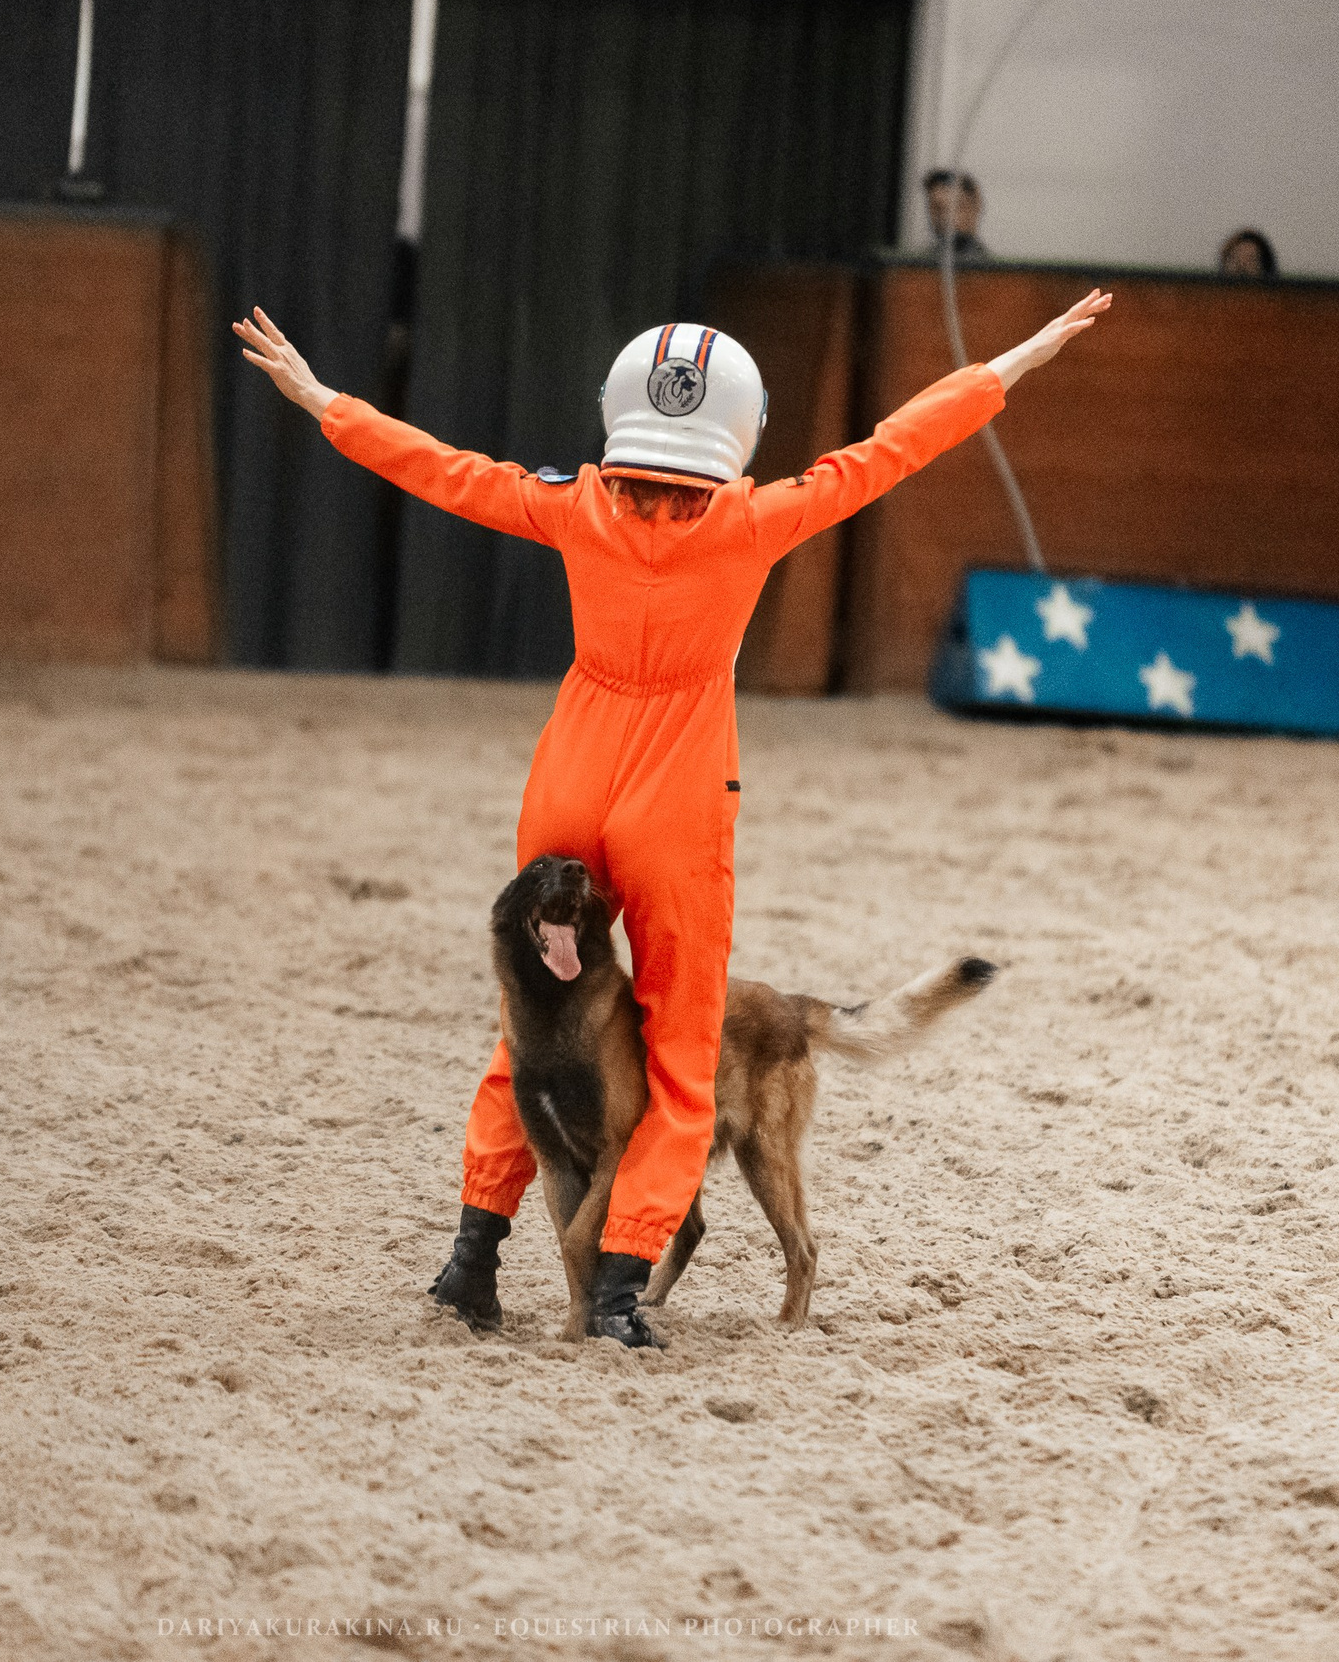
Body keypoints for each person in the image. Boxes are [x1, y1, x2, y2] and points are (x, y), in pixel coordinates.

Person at [232, 285, 1110, 1346]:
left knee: (532, 1027)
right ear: (734, 429)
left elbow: (444, 470)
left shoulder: (574, 503)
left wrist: (323, 396)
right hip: (678, 786)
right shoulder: (751, 518)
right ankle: (616, 1284)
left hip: (568, 768)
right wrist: (1011, 362)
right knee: (683, 1041)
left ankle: (472, 1254)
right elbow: (891, 450)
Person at [924, 169, 989, 260]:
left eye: (957, 207)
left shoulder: (994, 270)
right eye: (937, 208)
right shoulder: (916, 268)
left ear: (976, 206)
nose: (945, 218)